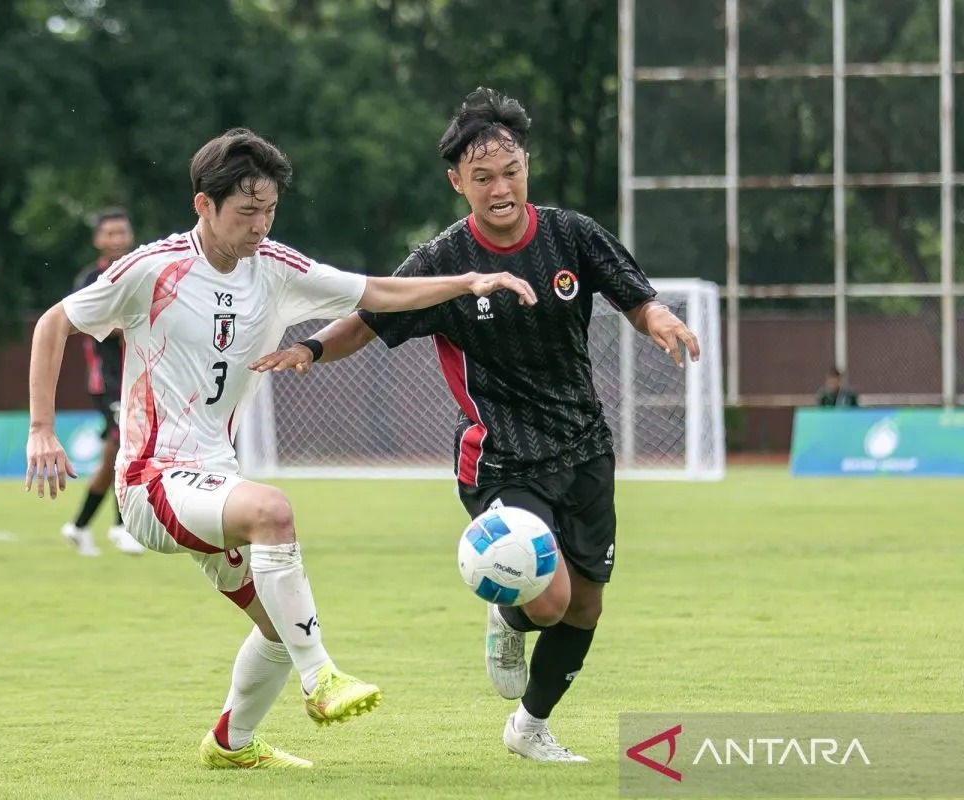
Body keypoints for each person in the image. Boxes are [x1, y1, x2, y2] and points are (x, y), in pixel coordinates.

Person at [24, 127, 537, 769]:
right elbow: (55, 322)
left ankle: (231, 744)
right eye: (247, 213)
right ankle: (322, 679)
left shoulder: (274, 268)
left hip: (212, 478)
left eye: (270, 210)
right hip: (150, 481)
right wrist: (41, 428)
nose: (262, 226)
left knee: (276, 624)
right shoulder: (152, 269)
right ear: (203, 206)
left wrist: (466, 283)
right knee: (272, 512)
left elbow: (377, 292)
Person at [249, 88, 701, 763]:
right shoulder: (441, 264)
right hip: (499, 460)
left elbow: (635, 298)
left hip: (584, 447)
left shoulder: (571, 235)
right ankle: (509, 610)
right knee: (547, 602)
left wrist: (658, 319)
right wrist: (312, 347)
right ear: (457, 181)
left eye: (511, 170)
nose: (500, 187)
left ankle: (528, 726)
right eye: (483, 176)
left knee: (586, 608)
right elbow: (369, 319)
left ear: (526, 167)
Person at [61, 207, 146, 556]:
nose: (117, 240)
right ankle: (120, 526)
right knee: (130, 445)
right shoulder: (89, 280)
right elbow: (86, 323)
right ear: (98, 239)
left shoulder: (141, 272)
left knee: (114, 455)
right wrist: (130, 325)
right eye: (110, 234)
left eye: (122, 232)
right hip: (107, 381)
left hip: (137, 377)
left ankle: (79, 526)